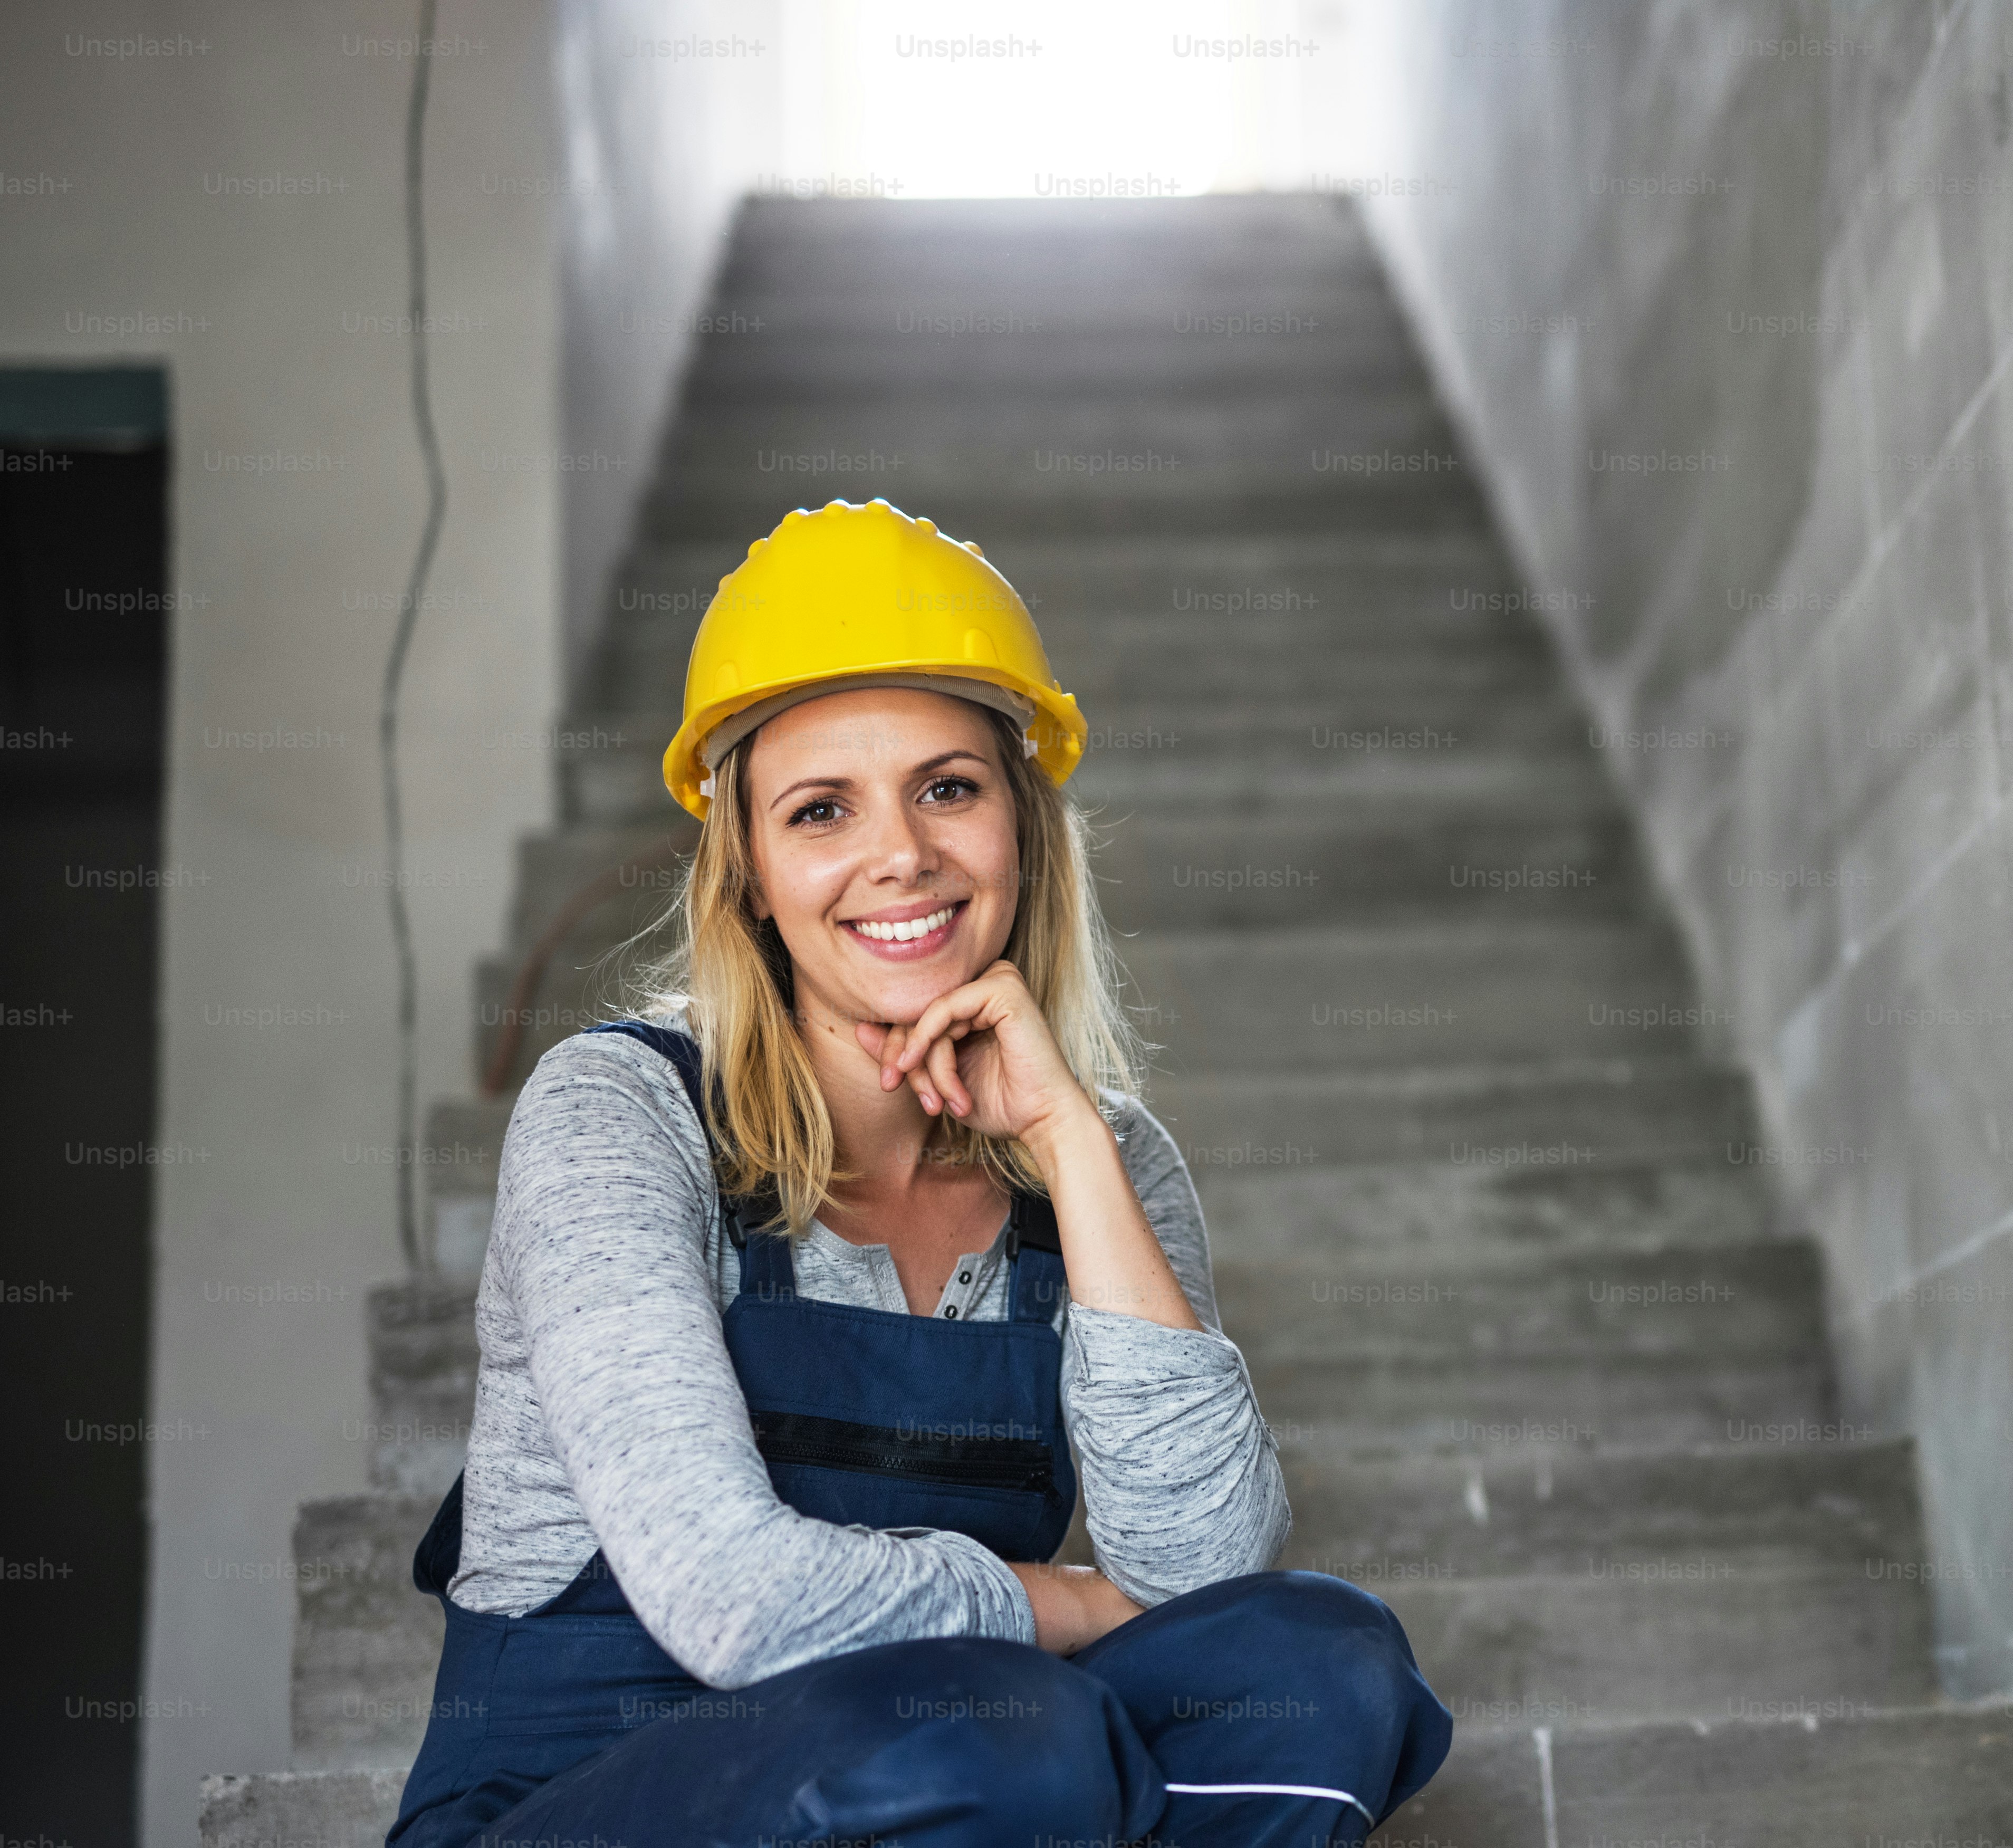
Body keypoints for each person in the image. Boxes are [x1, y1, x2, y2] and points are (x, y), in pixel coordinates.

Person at [389, 499, 1450, 1847]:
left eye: (949, 786)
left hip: (979, 1765)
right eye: (822, 808)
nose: (903, 853)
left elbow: (1201, 1581)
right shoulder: (619, 1113)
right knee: (1006, 1738)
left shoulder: (1104, 1161)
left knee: (1325, 1663)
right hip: (586, 1801)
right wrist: (1055, 1603)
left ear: (1022, 826)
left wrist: (1070, 1145)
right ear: (753, 877)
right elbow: (733, 1595)